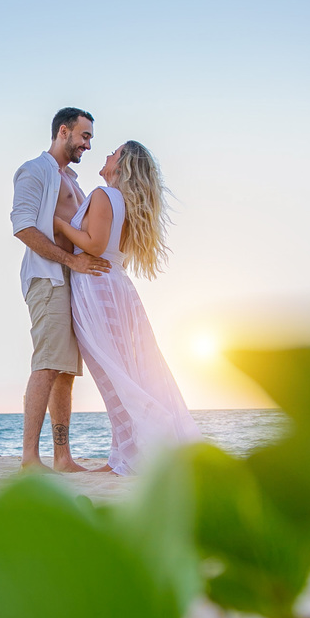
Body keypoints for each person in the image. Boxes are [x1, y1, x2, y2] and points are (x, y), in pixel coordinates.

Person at [53, 141, 202, 474]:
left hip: (96, 286)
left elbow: (93, 245)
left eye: (114, 152)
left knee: (113, 375)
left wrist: (60, 226)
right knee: (121, 373)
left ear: (121, 165)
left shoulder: (105, 196)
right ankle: (124, 455)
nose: (106, 154)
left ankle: (141, 449)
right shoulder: (122, 202)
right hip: (115, 287)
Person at [10, 108, 111, 473]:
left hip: (72, 281)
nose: (88, 144)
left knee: (65, 371)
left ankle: (63, 458)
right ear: (64, 132)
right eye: (84, 136)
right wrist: (71, 263)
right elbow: (23, 227)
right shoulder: (35, 171)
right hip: (48, 278)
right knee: (48, 364)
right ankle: (29, 460)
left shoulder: (73, 180)